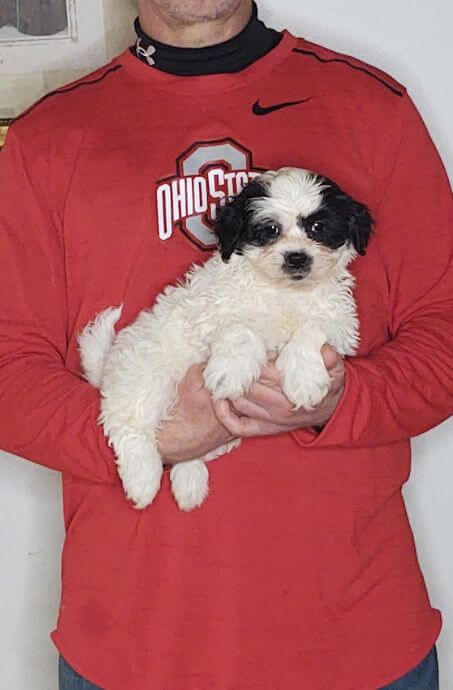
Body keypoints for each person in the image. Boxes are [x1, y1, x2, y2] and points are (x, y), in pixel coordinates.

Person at [0, 1, 451, 688]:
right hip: (133, 646)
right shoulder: (47, 139)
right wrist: (144, 432)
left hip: (358, 640)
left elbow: (443, 333)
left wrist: (339, 399)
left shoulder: (372, 107)